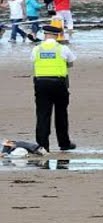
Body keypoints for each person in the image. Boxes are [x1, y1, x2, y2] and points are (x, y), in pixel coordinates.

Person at [31, 21, 76, 152]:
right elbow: (71, 63)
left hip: (41, 83)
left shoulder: (36, 49)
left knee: (42, 114)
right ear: (57, 35)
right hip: (59, 83)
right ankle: (64, 143)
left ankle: (42, 145)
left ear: (45, 35)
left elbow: (33, 61)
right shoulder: (63, 48)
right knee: (61, 113)